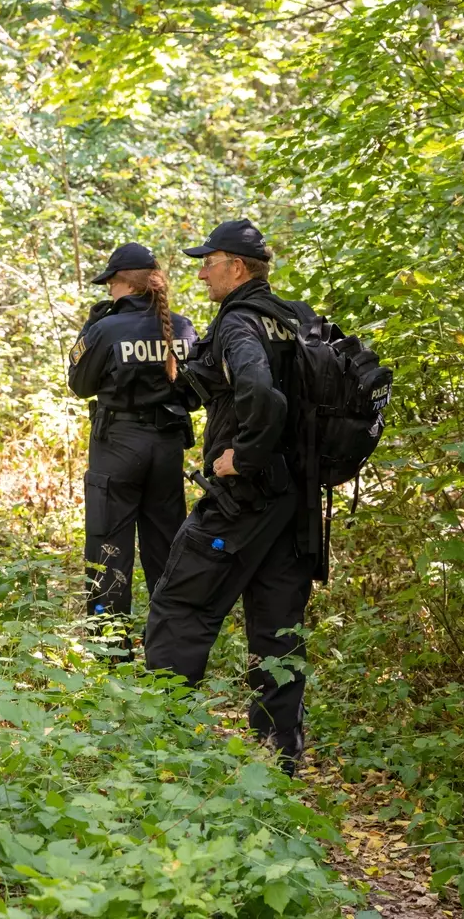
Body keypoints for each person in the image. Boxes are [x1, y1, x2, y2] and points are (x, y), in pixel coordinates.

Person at [143, 218, 320, 775]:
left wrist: (241, 456)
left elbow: (262, 396)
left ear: (236, 268)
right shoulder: (294, 319)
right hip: (295, 501)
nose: (201, 272)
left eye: (209, 262)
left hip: (244, 498)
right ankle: (281, 751)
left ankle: (160, 742)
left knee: (180, 604)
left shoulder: (241, 324)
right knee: (277, 626)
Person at [67, 242, 197, 661]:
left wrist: (90, 329)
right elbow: (196, 394)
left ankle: (110, 657)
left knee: (108, 550)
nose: (107, 291)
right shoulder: (184, 327)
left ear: (124, 283)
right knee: (166, 553)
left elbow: (80, 384)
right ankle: (170, 660)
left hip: (118, 448)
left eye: (110, 283)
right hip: (167, 450)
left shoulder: (106, 330)